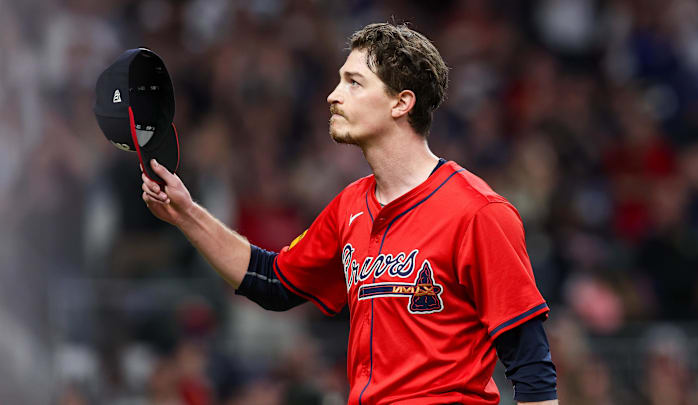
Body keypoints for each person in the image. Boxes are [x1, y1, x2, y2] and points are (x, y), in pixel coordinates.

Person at [140, 23, 558, 405]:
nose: (333, 95)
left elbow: (532, 366)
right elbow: (274, 283)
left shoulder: (479, 212)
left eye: (354, 83)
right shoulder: (349, 206)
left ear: (401, 102)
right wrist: (187, 213)